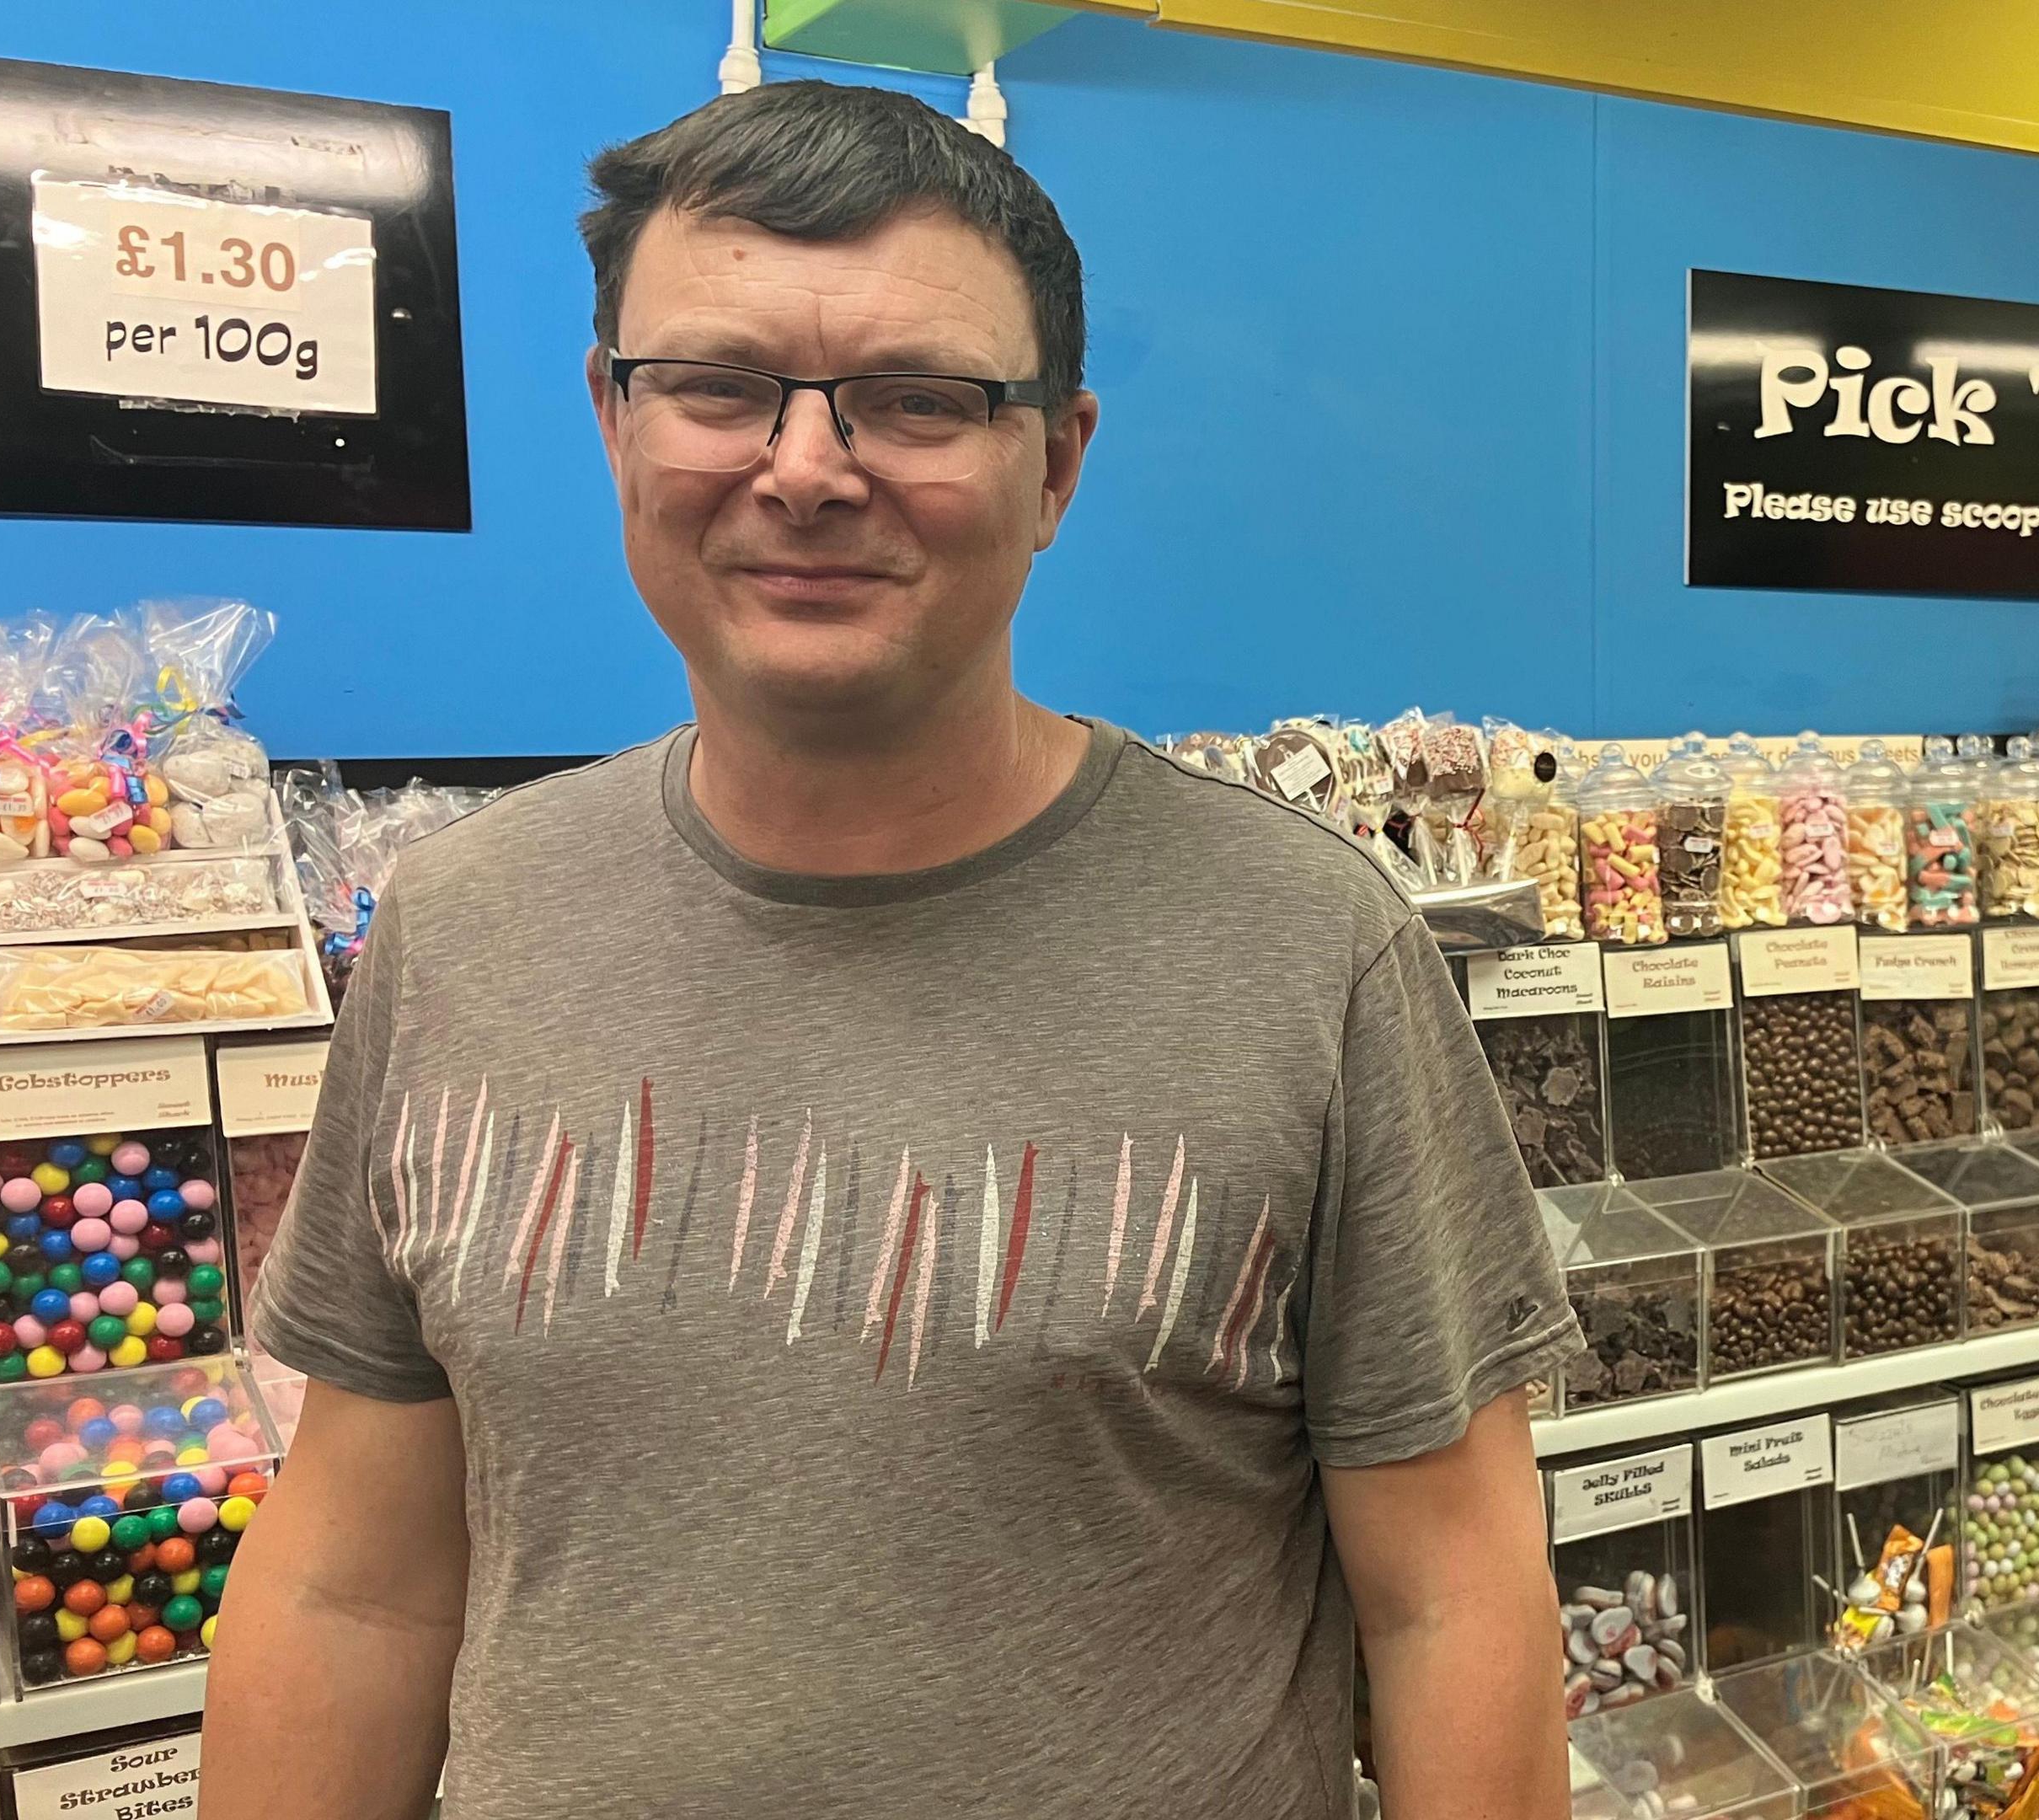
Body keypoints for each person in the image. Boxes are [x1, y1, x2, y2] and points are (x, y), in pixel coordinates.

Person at [201, 79, 1581, 1820]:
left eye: (917, 402)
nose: (804, 469)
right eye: (715, 387)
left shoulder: (1310, 951)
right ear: (612, 419)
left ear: (1057, 461)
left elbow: (1453, 1596)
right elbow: (354, 1587)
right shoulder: (464, 928)